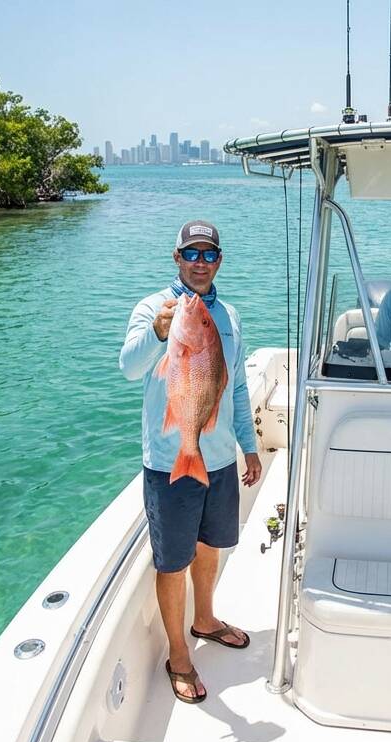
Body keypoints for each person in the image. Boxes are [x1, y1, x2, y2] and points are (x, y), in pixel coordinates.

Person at [118, 219, 262, 705]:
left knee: (209, 547)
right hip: (170, 460)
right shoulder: (155, 309)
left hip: (217, 459)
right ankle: (178, 653)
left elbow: (236, 387)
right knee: (173, 560)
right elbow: (129, 367)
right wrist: (160, 333)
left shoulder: (231, 316)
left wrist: (249, 446)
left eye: (209, 254)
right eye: (191, 254)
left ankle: (205, 619)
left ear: (219, 260)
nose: (200, 263)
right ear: (176, 257)